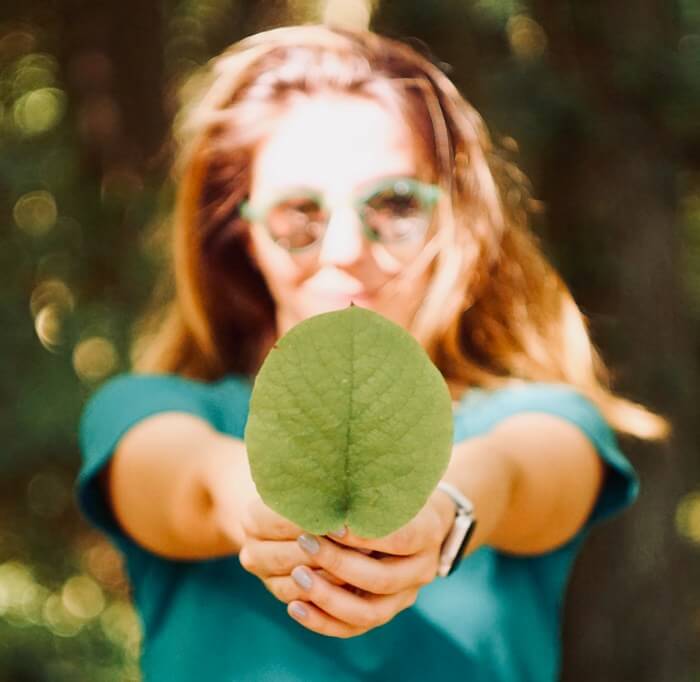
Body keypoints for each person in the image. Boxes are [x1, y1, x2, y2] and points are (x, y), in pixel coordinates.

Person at [76, 23, 668, 682]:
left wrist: (444, 511)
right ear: (240, 234)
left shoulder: (544, 418)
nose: (345, 249)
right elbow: (192, 488)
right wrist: (263, 506)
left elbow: (519, 476)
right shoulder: (146, 410)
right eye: (299, 211)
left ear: (452, 218)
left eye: (392, 205)